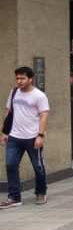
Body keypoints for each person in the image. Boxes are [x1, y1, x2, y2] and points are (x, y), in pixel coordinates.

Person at [0, 66, 50, 209]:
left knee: (38, 166)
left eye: (22, 78)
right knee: (10, 165)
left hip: (32, 137)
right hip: (14, 137)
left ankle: (41, 192)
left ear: (30, 78)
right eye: (17, 78)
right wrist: (5, 132)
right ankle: (14, 197)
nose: (19, 81)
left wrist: (40, 135)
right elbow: (8, 111)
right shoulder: (14, 92)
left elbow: (44, 115)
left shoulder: (39, 95)